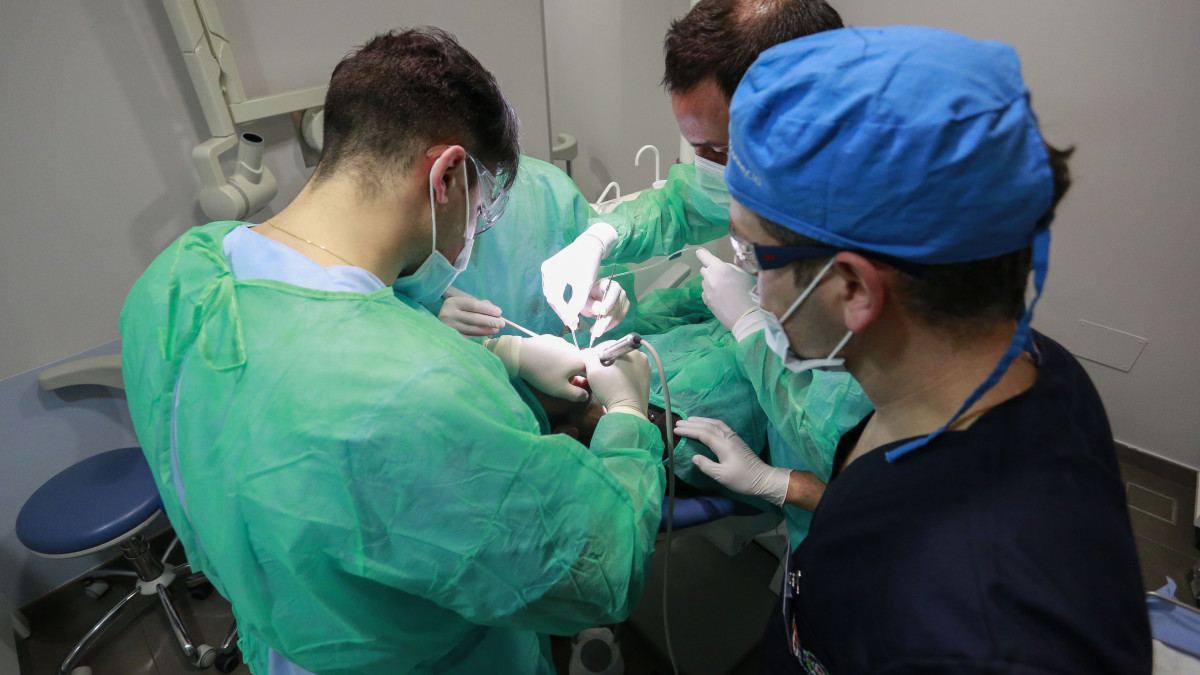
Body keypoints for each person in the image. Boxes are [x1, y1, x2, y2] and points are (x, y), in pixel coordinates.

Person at [120, 27, 666, 675]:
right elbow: (598, 570)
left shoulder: (173, 282)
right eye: (482, 209)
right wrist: (630, 418)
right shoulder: (422, 389)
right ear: (447, 175)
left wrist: (502, 353)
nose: (475, 231)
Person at [676, 25, 1152, 672]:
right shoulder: (1034, 369)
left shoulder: (977, 632)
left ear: (851, 288)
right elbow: (881, 504)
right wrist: (785, 484)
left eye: (756, 253)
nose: (751, 281)